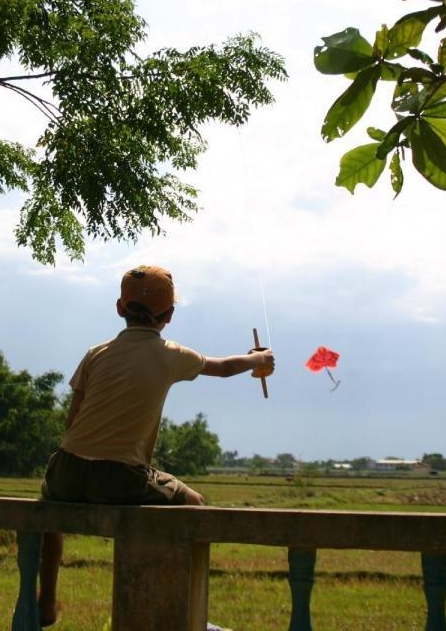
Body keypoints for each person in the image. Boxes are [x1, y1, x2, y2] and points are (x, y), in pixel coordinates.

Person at [37, 264, 275, 626]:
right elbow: (224, 367)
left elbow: (72, 422)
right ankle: (191, 615)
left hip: (65, 469)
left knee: (47, 505)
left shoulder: (95, 353)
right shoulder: (171, 354)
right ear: (169, 316)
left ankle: (47, 600)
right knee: (195, 506)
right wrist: (259, 360)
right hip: (118, 476)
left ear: (120, 308)